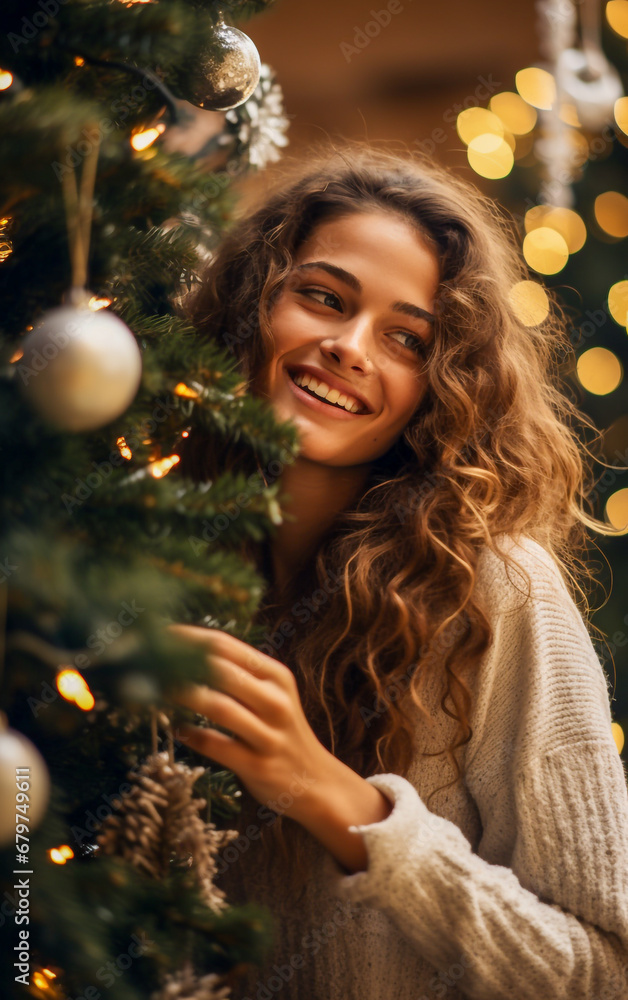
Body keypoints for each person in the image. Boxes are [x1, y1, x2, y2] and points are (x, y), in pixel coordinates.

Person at [167, 144, 628, 1000]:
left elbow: (606, 972)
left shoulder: (497, 589)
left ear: (443, 387)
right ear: (251, 305)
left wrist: (334, 799)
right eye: (322, 297)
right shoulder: (149, 551)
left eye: (406, 338)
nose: (348, 347)